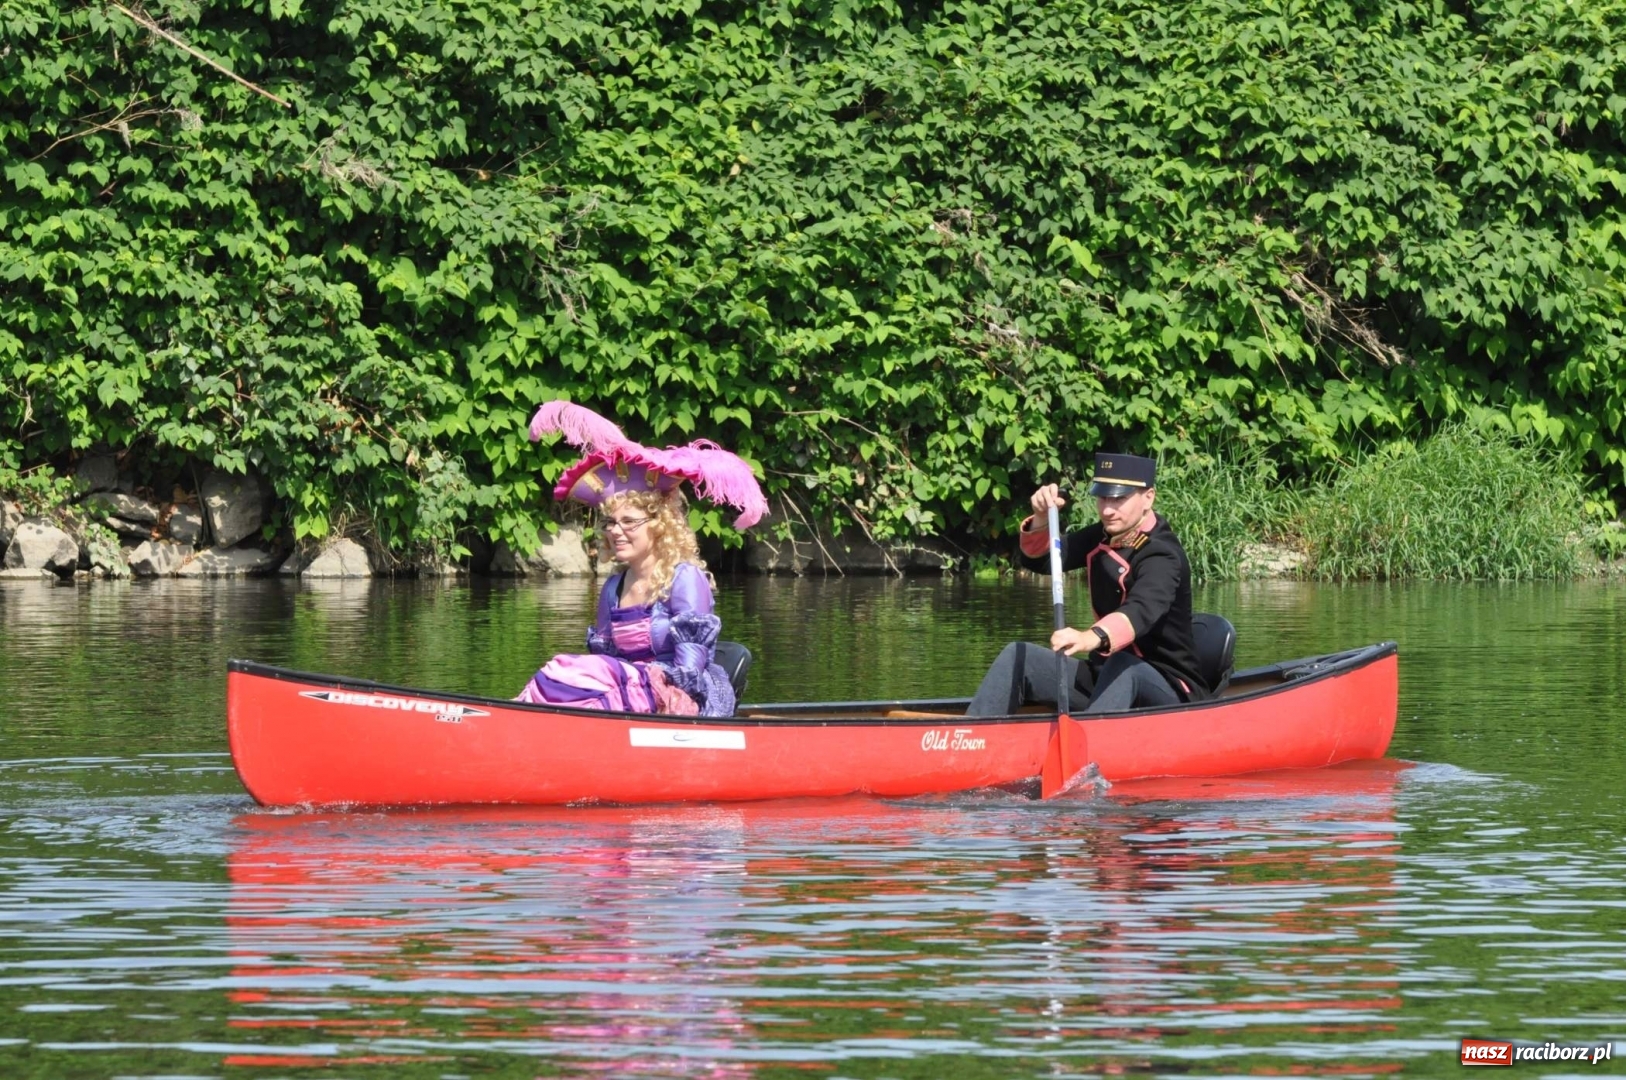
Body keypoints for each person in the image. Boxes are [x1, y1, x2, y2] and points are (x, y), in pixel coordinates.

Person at [515, 402, 768, 717]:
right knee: (560, 672)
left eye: (629, 522)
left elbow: (689, 673)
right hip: (625, 694)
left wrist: (636, 679)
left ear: (660, 525)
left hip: (679, 698)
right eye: (610, 523)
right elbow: (604, 658)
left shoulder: (685, 578)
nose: (615, 532)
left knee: (569, 670)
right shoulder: (613, 588)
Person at [966, 452, 1211, 716]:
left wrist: (1089, 637)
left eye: (1119, 498)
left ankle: (1090, 745)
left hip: (1169, 690)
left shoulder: (1162, 553)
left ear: (1148, 497)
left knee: (1123, 665)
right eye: (1103, 497)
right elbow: (1045, 562)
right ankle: (973, 738)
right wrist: (1040, 518)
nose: (1107, 509)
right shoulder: (1104, 534)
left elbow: (1140, 610)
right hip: (1106, 676)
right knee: (1019, 656)